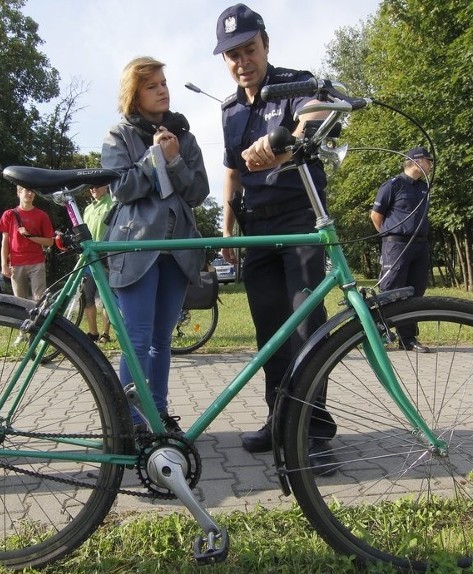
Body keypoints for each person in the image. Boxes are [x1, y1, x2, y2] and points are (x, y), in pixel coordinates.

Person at [214, 3, 335, 463]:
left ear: (265, 44)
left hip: (300, 218)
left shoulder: (293, 84)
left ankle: (314, 431)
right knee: (270, 331)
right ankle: (279, 418)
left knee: (306, 325)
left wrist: (282, 144)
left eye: (249, 49)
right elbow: (230, 169)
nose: (242, 61)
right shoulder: (228, 111)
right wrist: (227, 227)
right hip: (256, 229)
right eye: (232, 55)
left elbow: (316, 113)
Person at [101, 56, 209, 434]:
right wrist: (153, 159)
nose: (162, 90)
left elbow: (198, 192)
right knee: (137, 337)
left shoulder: (185, 135)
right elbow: (121, 188)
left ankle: (158, 414)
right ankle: (131, 421)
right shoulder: (120, 136)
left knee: (163, 339)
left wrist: (175, 159)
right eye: (152, 85)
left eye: (164, 82)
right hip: (136, 249)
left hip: (177, 251)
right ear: (135, 93)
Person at [370, 146, 433, 352]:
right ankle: (381, 334)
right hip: (397, 245)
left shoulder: (423, 187)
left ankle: (408, 339)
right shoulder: (393, 185)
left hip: (420, 245)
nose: (430, 165)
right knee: (391, 290)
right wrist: (389, 237)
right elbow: (376, 216)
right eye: (427, 161)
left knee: (415, 292)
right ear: (416, 162)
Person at [0, 186, 55, 301]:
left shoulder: (42, 215)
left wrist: (29, 236)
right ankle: (23, 320)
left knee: (40, 300)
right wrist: (4, 264)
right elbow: (5, 242)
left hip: (37, 262)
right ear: (19, 192)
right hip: (16, 263)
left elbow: (50, 242)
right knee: (20, 301)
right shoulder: (8, 214)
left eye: (33, 191)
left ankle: (40, 319)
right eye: (27, 190)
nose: (30, 193)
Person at [82, 184, 115, 343]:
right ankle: (93, 332)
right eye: (90, 187)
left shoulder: (113, 205)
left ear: (106, 187)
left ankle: (105, 333)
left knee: (106, 298)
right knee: (88, 298)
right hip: (88, 259)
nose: (93, 188)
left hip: (104, 258)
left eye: (96, 186)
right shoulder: (87, 209)